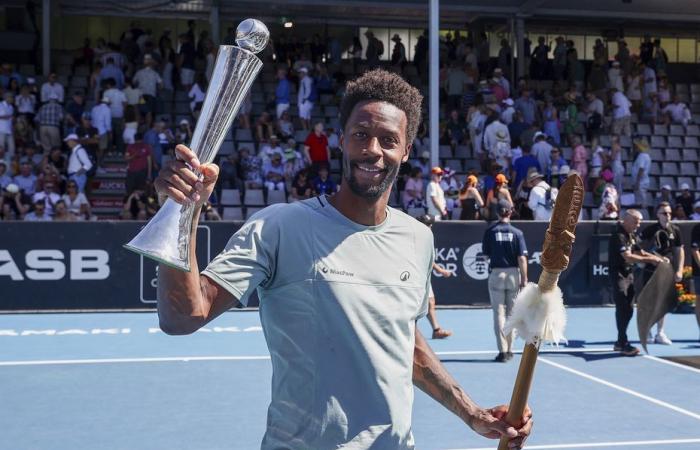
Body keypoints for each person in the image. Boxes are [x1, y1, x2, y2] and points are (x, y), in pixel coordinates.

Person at [153, 69, 532, 449]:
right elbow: (183, 317)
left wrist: (472, 413)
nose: (373, 150)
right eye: (361, 135)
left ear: (406, 150)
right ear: (341, 141)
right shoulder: (279, 227)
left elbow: (405, 342)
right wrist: (180, 213)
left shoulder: (417, 238)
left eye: (388, 140)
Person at [608, 210, 665, 356]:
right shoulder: (618, 235)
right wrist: (652, 260)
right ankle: (622, 342)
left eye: (639, 222)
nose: (638, 225)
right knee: (622, 307)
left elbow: (641, 252)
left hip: (629, 275)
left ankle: (620, 342)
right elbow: (628, 257)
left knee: (628, 309)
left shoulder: (631, 235)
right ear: (626, 220)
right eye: (636, 222)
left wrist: (658, 258)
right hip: (619, 275)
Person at [481, 200, 528, 362]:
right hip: (513, 274)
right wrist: (524, 277)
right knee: (511, 314)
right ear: (510, 212)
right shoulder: (517, 233)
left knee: (498, 314)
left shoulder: (490, 231)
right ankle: (510, 349)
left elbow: (486, 255)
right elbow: (522, 258)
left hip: (496, 273)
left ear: (497, 213)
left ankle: (502, 351)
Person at [640, 202, 684, 345]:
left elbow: (679, 250)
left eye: (669, 213)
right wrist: (656, 258)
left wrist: (679, 269)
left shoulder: (675, 230)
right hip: (650, 270)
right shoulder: (650, 230)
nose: (668, 216)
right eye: (664, 213)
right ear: (657, 215)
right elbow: (637, 247)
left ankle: (660, 333)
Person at [415, 214, 453, 339]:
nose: (430, 226)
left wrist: (440, 270)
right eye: (428, 224)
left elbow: (429, 259)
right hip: (415, 276)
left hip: (424, 276)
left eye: (431, 224)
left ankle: (436, 330)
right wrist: (441, 271)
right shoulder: (416, 237)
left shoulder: (427, 237)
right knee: (416, 304)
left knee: (430, 301)